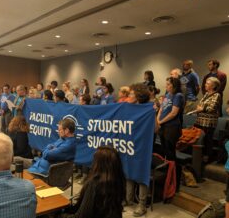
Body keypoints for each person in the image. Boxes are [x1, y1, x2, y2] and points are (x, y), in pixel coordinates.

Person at [59, 146, 126, 218]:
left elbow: (81, 216)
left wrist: (59, 215)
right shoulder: (119, 181)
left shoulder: (94, 184)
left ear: (99, 164)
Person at [126, 83, 151, 217]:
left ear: (138, 96)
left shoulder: (148, 109)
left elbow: (156, 129)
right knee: (128, 171)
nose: (128, 96)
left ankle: (142, 204)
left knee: (141, 175)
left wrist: (154, 113)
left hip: (142, 147)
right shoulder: (128, 108)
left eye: (131, 94)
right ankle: (128, 199)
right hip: (130, 144)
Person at [157, 77, 185, 192]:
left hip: (172, 127)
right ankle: (166, 177)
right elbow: (162, 109)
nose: (166, 86)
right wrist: (158, 120)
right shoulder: (167, 95)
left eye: (168, 84)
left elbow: (174, 113)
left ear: (174, 85)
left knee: (170, 152)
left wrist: (161, 121)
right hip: (163, 126)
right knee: (164, 151)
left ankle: (173, 180)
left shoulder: (178, 96)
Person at [194, 77, 221, 163]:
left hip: (208, 123)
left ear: (213, 86)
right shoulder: (206, 94)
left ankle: (207, 158)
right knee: (199, 139)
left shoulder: (217, 95)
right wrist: (201, 108)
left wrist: (202, 108)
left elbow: (212, 108)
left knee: (207, 140)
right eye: (206, 83)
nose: (205, 84)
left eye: (207, 83)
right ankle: (198, 157)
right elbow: (199, 105)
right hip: (200, 121)